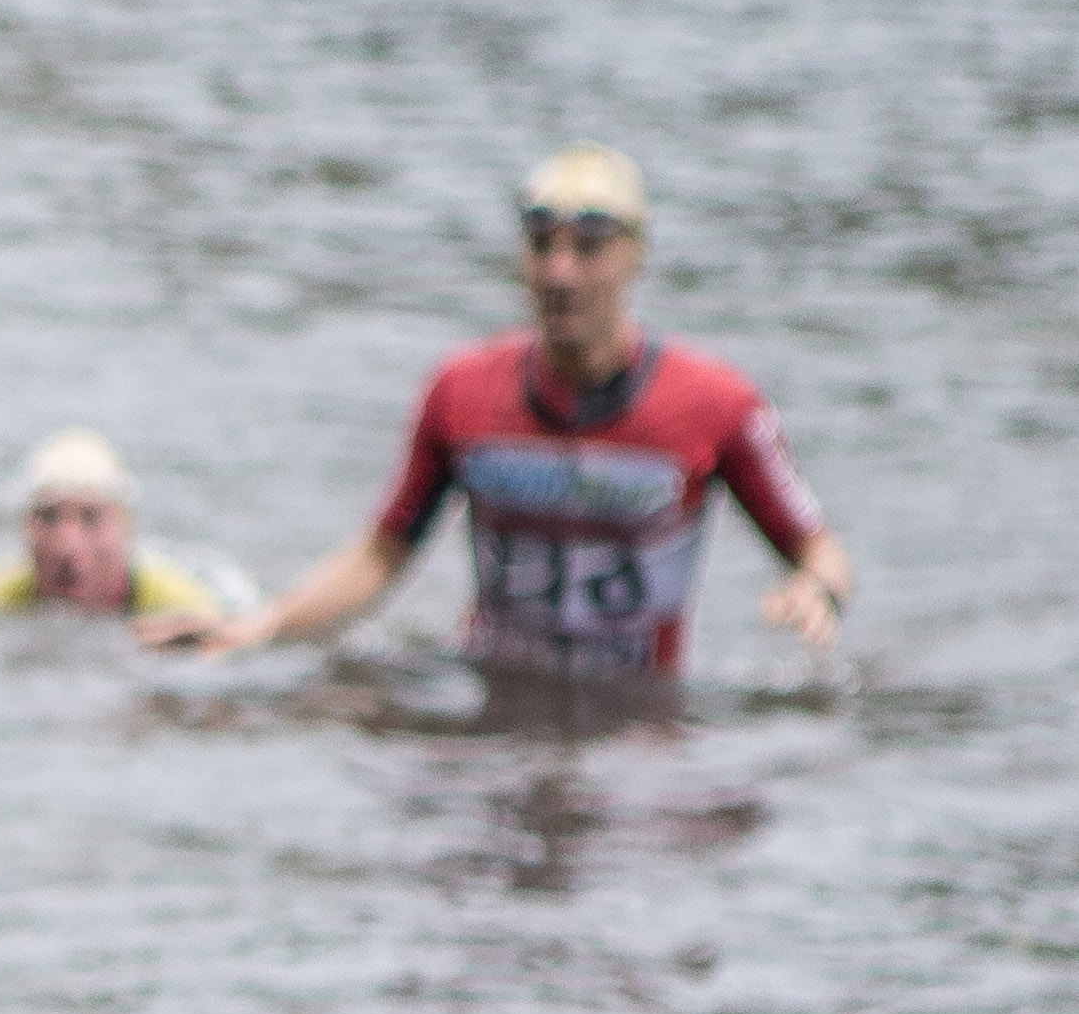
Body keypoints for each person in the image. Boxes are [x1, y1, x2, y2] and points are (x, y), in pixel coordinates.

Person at [149, 145, 853, 680]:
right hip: (495, 688)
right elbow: (382, 553)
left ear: (634, 256)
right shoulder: (462, 392)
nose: (560, 272)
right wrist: (264, 628)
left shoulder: (716, 404)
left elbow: (818, 550)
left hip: (636, 699)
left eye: (589, 247)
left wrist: (815, 591)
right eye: (541, 243)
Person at [0, 429, 224, 625]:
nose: (67, 544)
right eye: (49, 517)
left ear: (124, 527)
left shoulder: (182, 609)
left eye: (90, 517)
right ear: (26, 527)